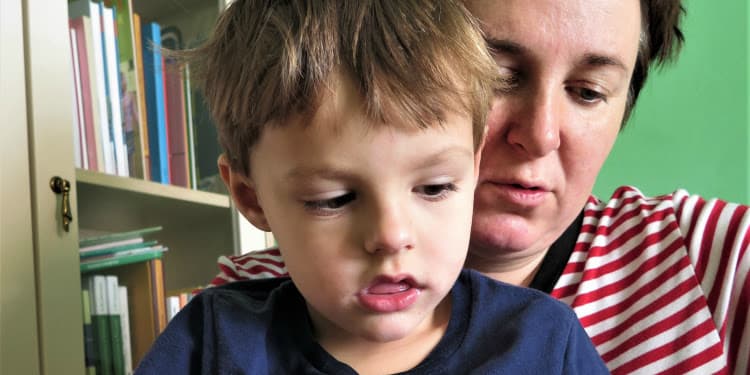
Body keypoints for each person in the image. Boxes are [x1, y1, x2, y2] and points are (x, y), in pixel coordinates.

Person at [211, 0, 750, 374]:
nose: (539, 135)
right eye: (498, 77)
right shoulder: (247, 307)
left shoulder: (717, 255)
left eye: (588, 92)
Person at [136, 1, 609, 373]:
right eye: (333, 200)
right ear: (251, 198)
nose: (390, 235)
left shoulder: (543, 341)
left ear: (473, 168)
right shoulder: (213, 341)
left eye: (435, 188)